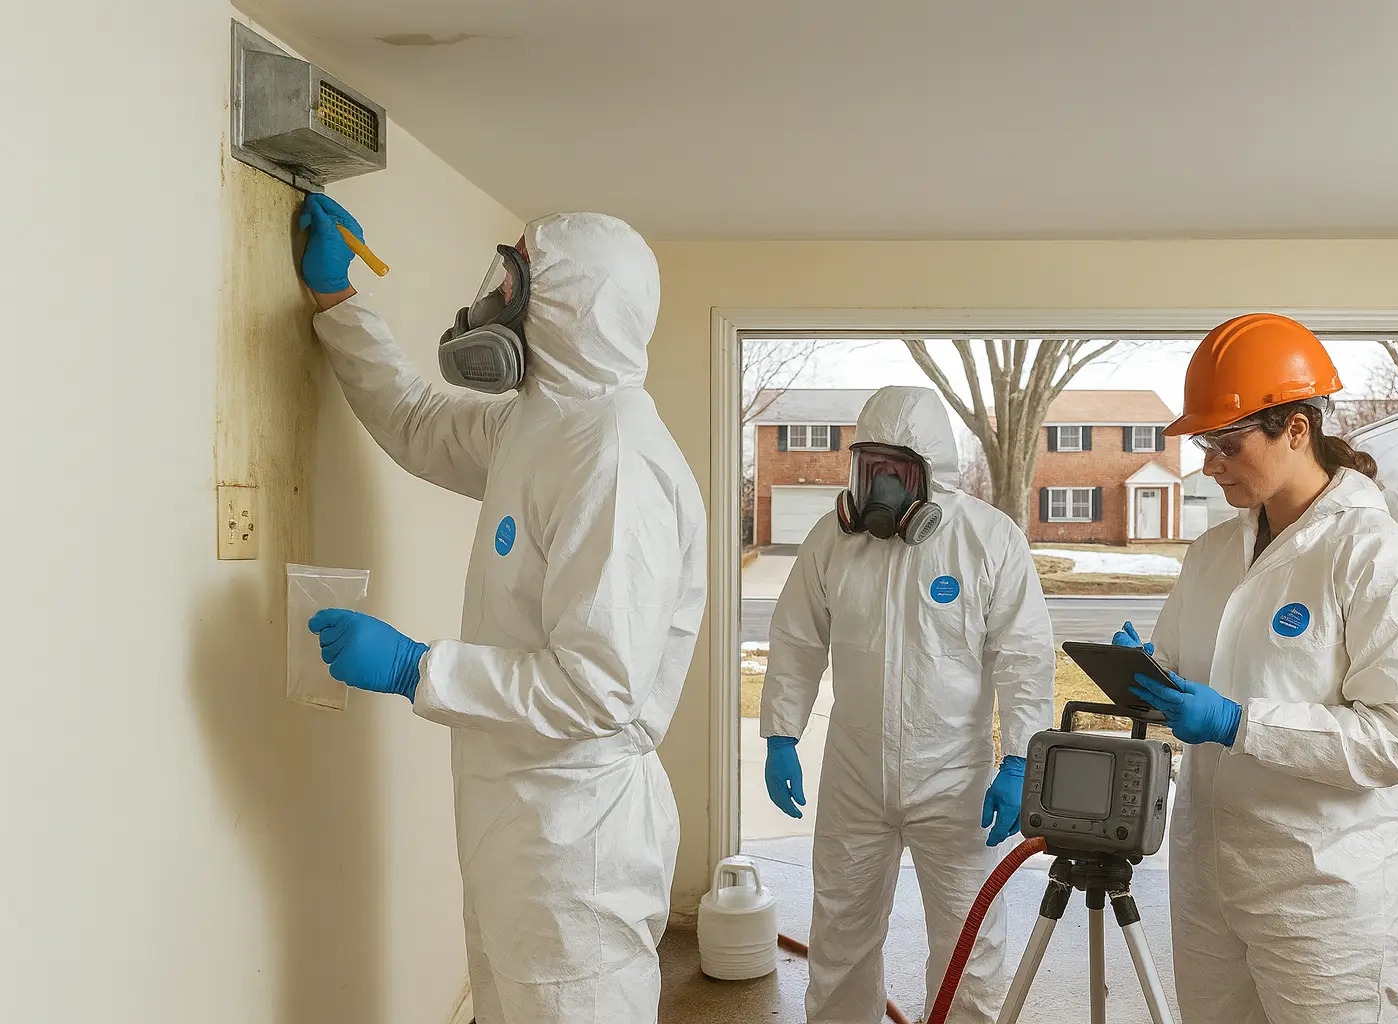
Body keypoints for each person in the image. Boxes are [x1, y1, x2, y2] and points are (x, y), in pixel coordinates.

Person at [296, 194, 707, 1024]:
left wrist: (418, 667)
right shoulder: (543, 422)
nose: (491, 302)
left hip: (575, 842)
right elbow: (416, 421)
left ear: (563, 308)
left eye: (511, 282)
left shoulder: (615, 462)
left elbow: (598, 691)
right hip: (519, 823)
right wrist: (338, 303)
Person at [1116, 313, 1398, 1024]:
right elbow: (1179, 670)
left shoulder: (1384, 562)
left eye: (1228, 444)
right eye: (1207, 444)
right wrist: (1145, 676)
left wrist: (1241, 722)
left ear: (1296, 430)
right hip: (1208, 878)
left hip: (1325, 894)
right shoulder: (1211, 554)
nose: (1210, 464)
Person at [760, 385, 1056, 1024]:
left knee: (970, 945)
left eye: (896, 471)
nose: (881, 487)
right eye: (871, 469)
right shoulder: (832, 542)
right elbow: (795, 637)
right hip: (855, 775)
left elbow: (1025, 660)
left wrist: (1019, 760)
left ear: (931, 474)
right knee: (840, 935)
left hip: (958, 782)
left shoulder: (987, 540)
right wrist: (780, 734)